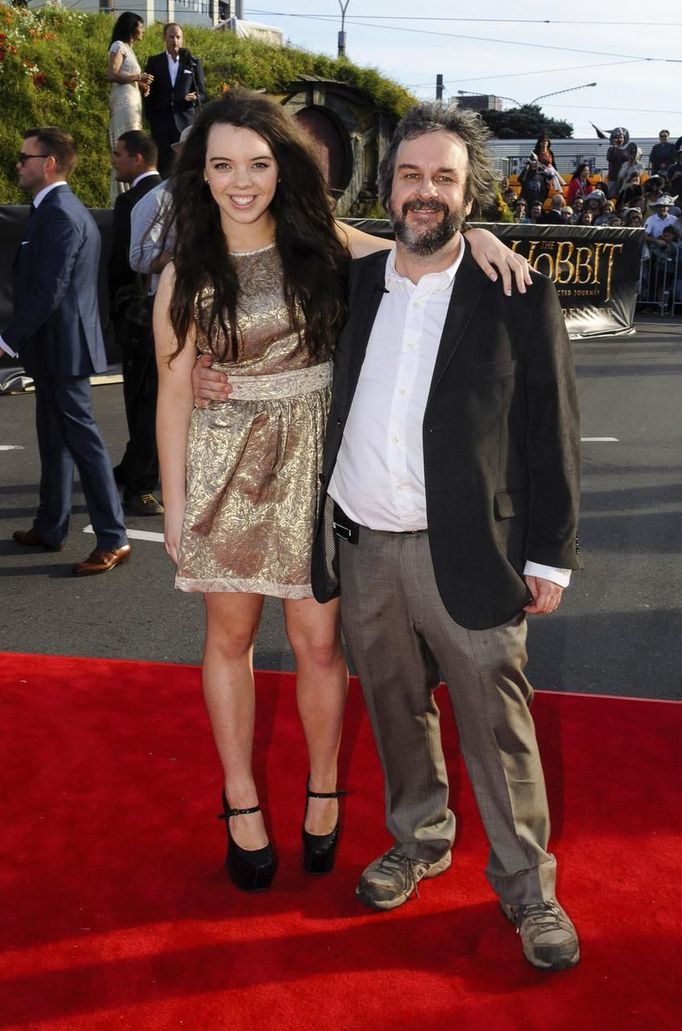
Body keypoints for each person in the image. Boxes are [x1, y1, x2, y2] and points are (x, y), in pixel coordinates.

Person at [157, 92, 531, 895]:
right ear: (202, 174)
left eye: (257, 163)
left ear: (284, 166)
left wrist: (488, 233)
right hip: (227, 470)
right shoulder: (185, 269)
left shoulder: (322, 239)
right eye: (222, 165)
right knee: (229, 638)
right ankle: (242, 799)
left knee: (321, 645)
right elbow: (175, 391)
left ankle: (324, 790)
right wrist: (176, 502)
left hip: (317, 468)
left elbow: (423, 249)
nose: (241, 181)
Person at [309, 101, 582, 973]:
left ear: (470, 193)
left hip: (467, 551)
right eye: (411, 175)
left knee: (497, 730)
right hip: (366, 548)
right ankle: (419, 838)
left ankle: (529, 888)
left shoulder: (516, 292)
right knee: (395, 710)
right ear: (388, 186)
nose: (426, 193)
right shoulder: (351, 284)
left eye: (445, 178)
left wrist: (549, 557)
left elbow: (553, 432)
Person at [0, 127, 130, 575]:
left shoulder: (59, 213)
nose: (19, 163)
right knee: (55, 441)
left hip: (64, 349)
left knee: (84, 444)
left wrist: (7, 339)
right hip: (55, 348)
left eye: (25, 156)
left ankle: (113, 538)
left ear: (49, 163)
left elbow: (50, 290)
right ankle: (50, 526)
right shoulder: (51, 209)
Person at [108, 131, 164, 517]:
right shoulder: (161, 195)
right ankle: (133, 469)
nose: (113, 160)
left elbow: (124, 263)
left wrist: (116, 311)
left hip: (143, 314)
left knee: (145, 402)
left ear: (139, 157)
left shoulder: (141, 200)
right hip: (144, 311)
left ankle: (141, 484)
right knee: (144, 400)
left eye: (118, 154)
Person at [144, 23, 206, 178]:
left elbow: (203, 93)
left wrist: (195, 97)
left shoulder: (192, 62)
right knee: (163, 165)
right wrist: (152, 118)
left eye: (178, 37)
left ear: (182, 39)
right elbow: (148, 93)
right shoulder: (154, 62)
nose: (175, 40)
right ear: (164, 38)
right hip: (162, 122)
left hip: (185, 121)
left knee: (185, 165)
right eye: (171, 36)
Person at [106, 12, 153, 204]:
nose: (142, 30)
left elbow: (127, 76)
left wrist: (142, 86)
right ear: (131, 27)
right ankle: (121, 194)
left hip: (133, 101)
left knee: (134, 142)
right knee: (126, 143)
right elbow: (112, 74)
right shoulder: (118, 46)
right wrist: (137, 77)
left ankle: (131, 189)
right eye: (140, 26)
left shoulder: (129, 49)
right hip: (124, 101)